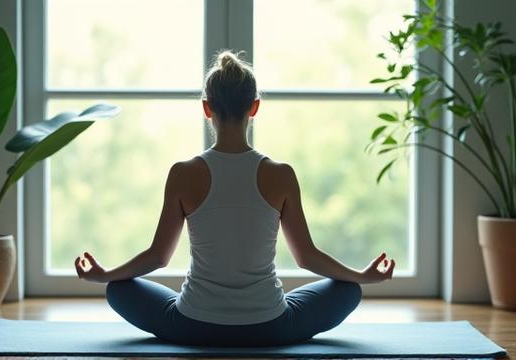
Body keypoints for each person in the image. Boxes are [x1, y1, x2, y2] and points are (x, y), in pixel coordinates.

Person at [74, 49, 395, 347]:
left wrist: (105, 274)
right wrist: (361, 276)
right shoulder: (281, 174)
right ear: (254, 107)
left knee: (119, 289)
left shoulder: (183, 174)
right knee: (348, 291)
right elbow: (306, 257)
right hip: (271, 326)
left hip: (192, 325)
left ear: (206, 107)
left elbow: (158, 257)